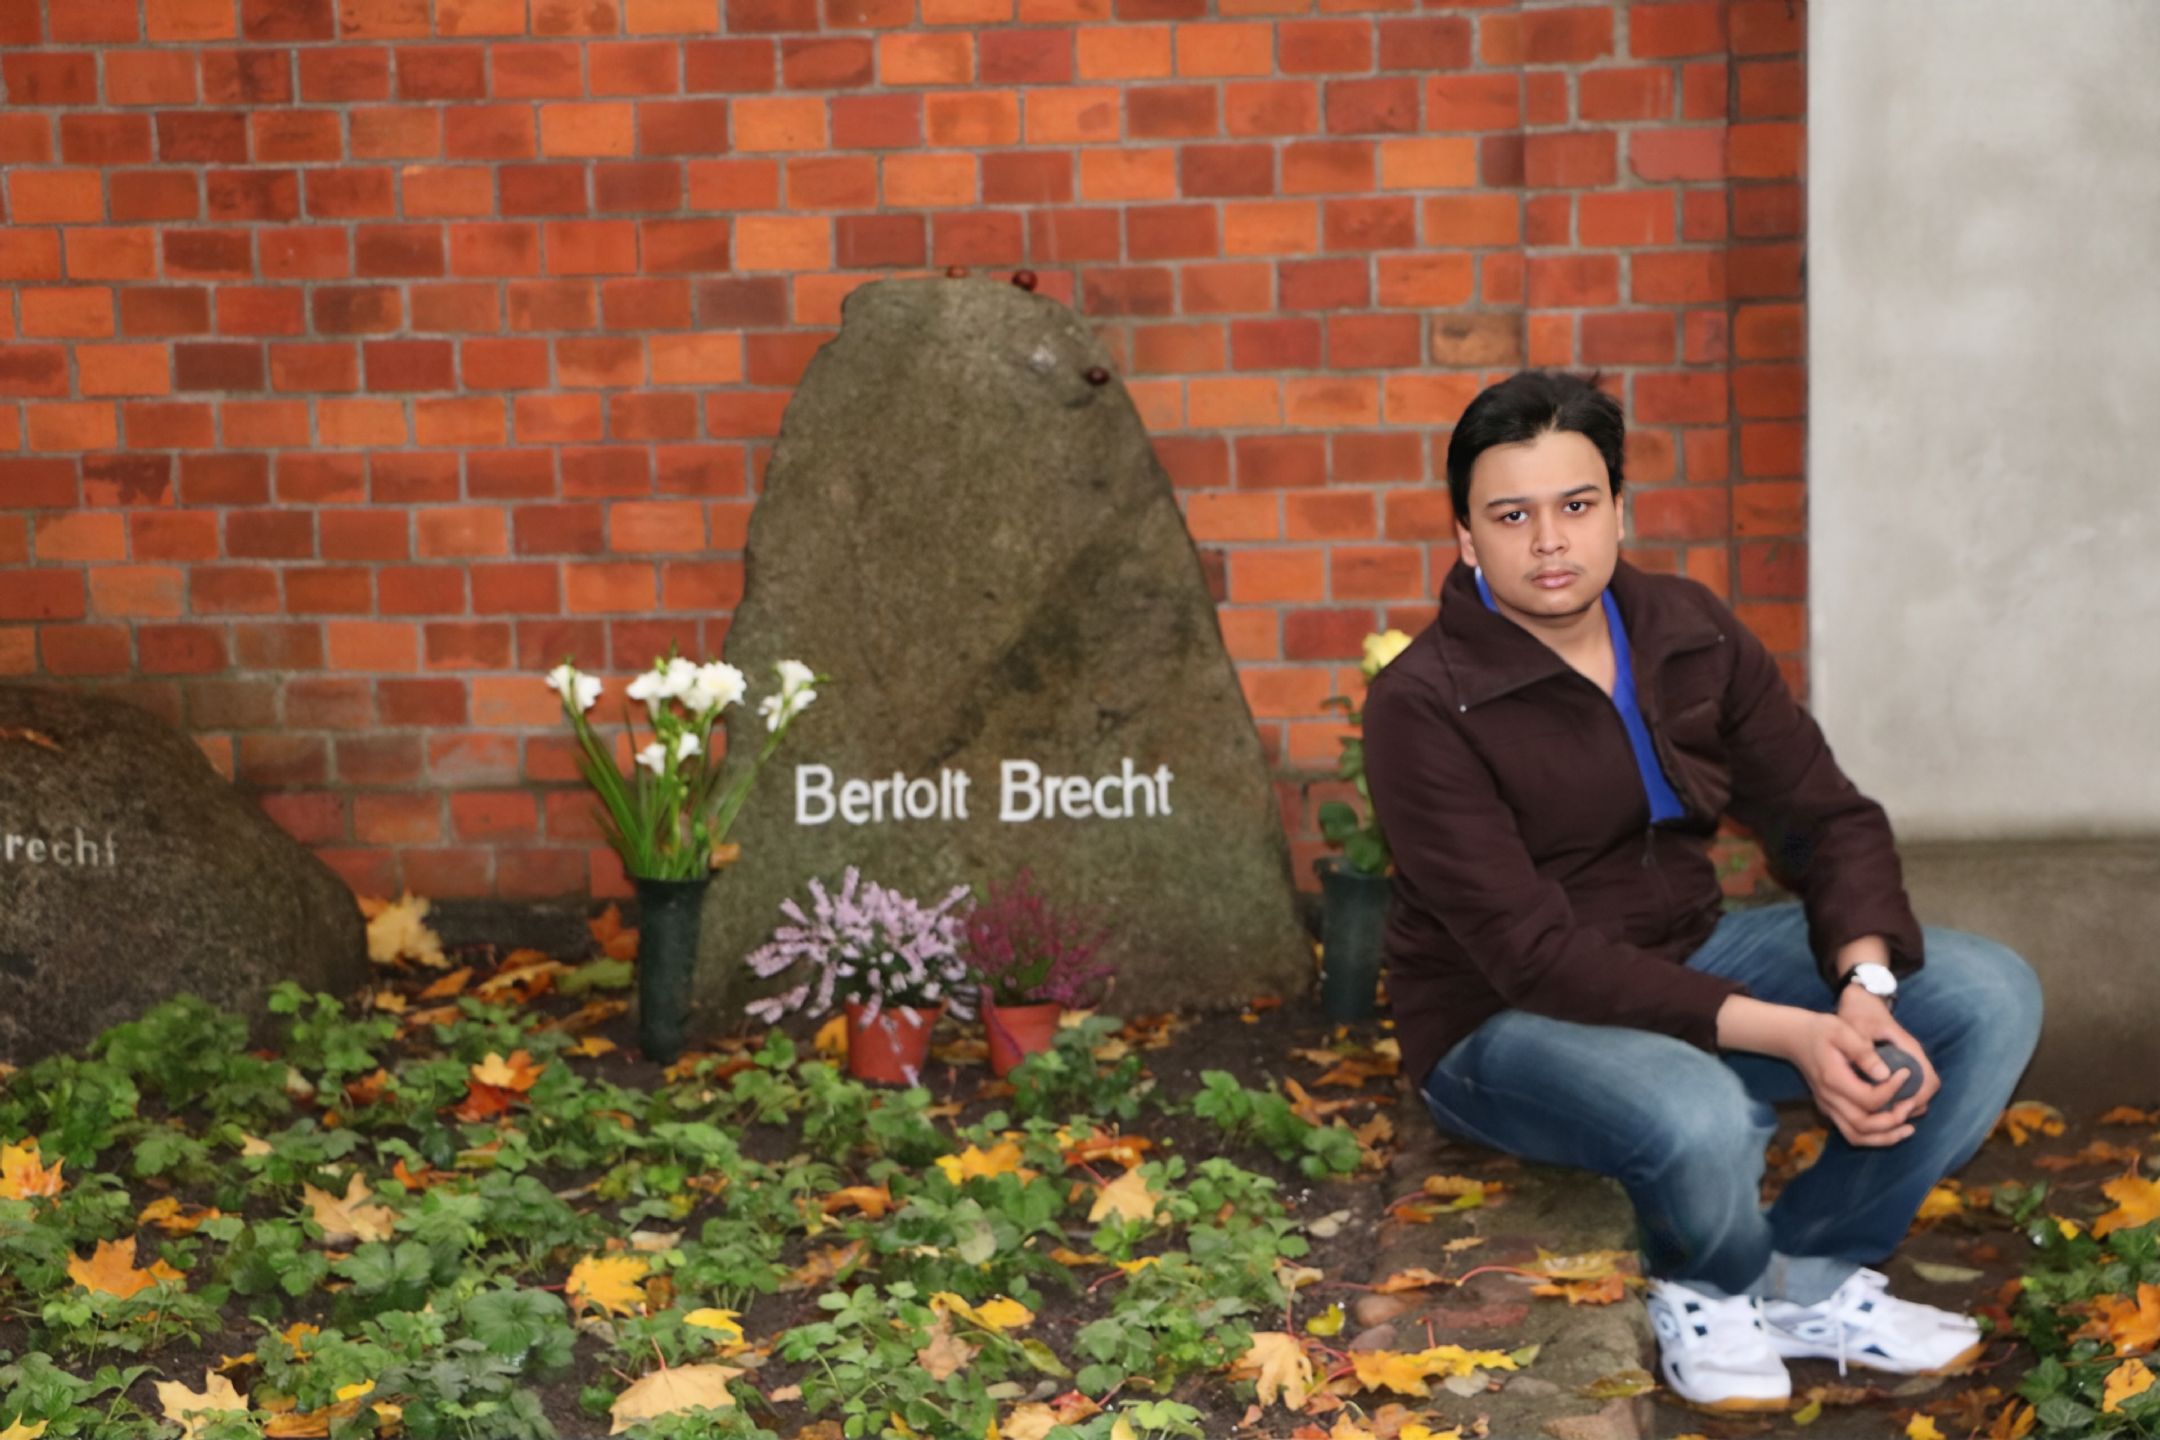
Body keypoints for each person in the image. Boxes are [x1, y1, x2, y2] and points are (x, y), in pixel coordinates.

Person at [1359, 370, 2043, 1413]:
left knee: (1987, 997)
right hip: (1496, 1022)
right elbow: (1528, 952)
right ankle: (1708, 1285)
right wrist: (1789, 1034)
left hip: (1687, 956)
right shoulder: (1422, 704)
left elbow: (1825, 817)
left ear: (1618, 510)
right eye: (1513, 515)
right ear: (1465, 537)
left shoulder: (1688, 631)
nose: (1551, 540)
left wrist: (1862, 987)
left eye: (1577, 506)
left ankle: (1808, 1276)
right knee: (1701, 1106)